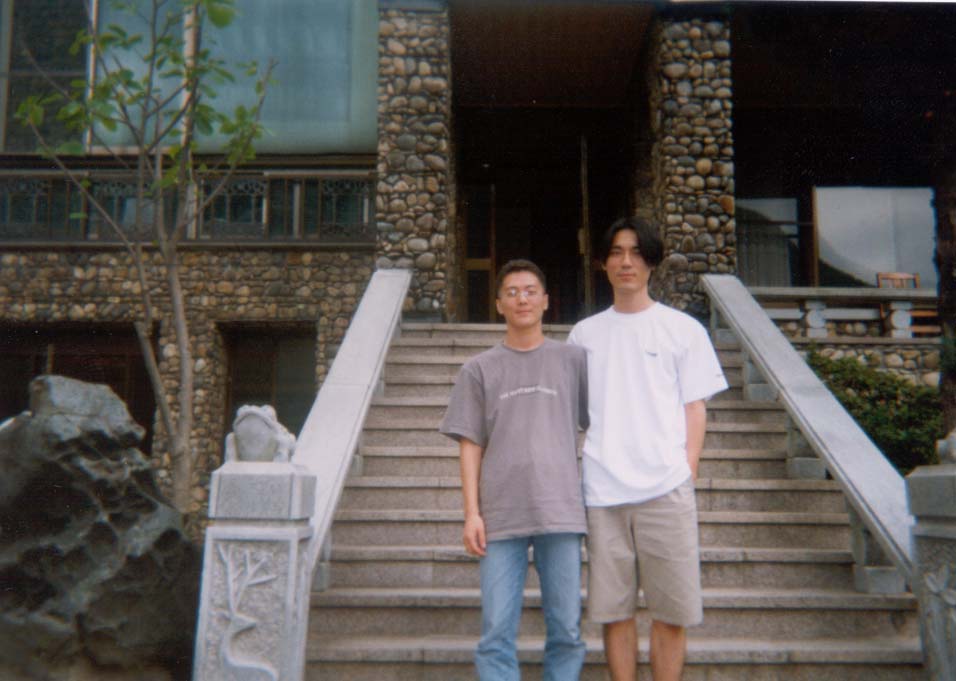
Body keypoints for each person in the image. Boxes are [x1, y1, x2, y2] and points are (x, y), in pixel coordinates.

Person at [568, 217, 728, 681]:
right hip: (604, 492)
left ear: (652, 262)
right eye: (617, 252)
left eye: (637, 252)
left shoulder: (683, 330)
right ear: (603, 263)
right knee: (613, 612)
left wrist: (687, 466)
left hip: (666, 489)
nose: (626, 262)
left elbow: (695, 406)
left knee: (672, 612)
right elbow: (572, 412)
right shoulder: (583, 335)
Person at [440, 258, 589, 681]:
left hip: (560, 511)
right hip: (500, 516)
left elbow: (598, 425)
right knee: (495, 633)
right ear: (499, 304)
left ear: (546, 301)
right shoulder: (478, 369)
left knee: (567, 629)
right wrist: (471, 513)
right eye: (512, 292)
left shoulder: (573, 360)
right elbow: (470, 444)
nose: (521, 299)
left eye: (530, 291)